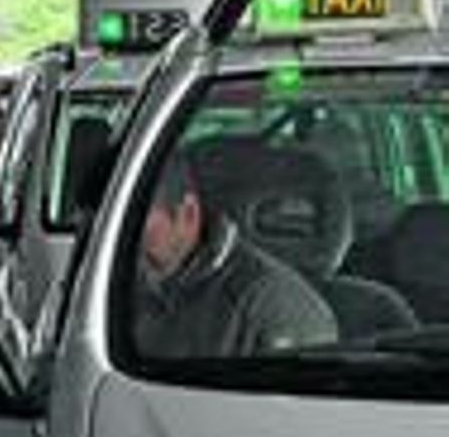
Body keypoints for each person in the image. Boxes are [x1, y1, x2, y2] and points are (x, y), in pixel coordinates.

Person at [134, 147, 336, 359]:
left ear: (188, 214)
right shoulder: (110, 271)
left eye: (138, 229)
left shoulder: (278, 310)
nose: (125, 245)